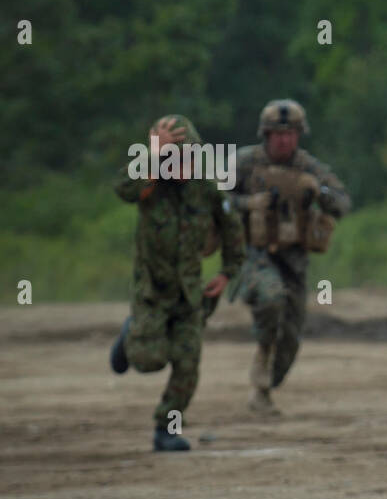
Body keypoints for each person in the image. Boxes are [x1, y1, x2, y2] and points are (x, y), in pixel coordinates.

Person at [110, 115, 245, 451]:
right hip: (152, 292)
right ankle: (130, 336)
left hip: (189, 294)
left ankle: (166, 429)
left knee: (188, 363)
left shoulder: (206, 187)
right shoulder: (150, 184)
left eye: (187, 157)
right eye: (174, 157)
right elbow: (124, 189)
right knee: (148, 360)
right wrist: (154, 157)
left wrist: (227, 272)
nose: (182, 165)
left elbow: (232, 228)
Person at [228, 99, 351, 415]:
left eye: (291, 133)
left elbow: (342, 203)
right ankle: (260, 379)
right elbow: (214, 200)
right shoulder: (244, 163)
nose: (284, 140)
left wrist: (318, 193)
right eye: (277, 134)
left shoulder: (308, 167)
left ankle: (267, 381)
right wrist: (247, 204)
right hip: (253, 256)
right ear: (265, 135)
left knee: (291, 339)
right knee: (271, 299)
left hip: (294, 261)